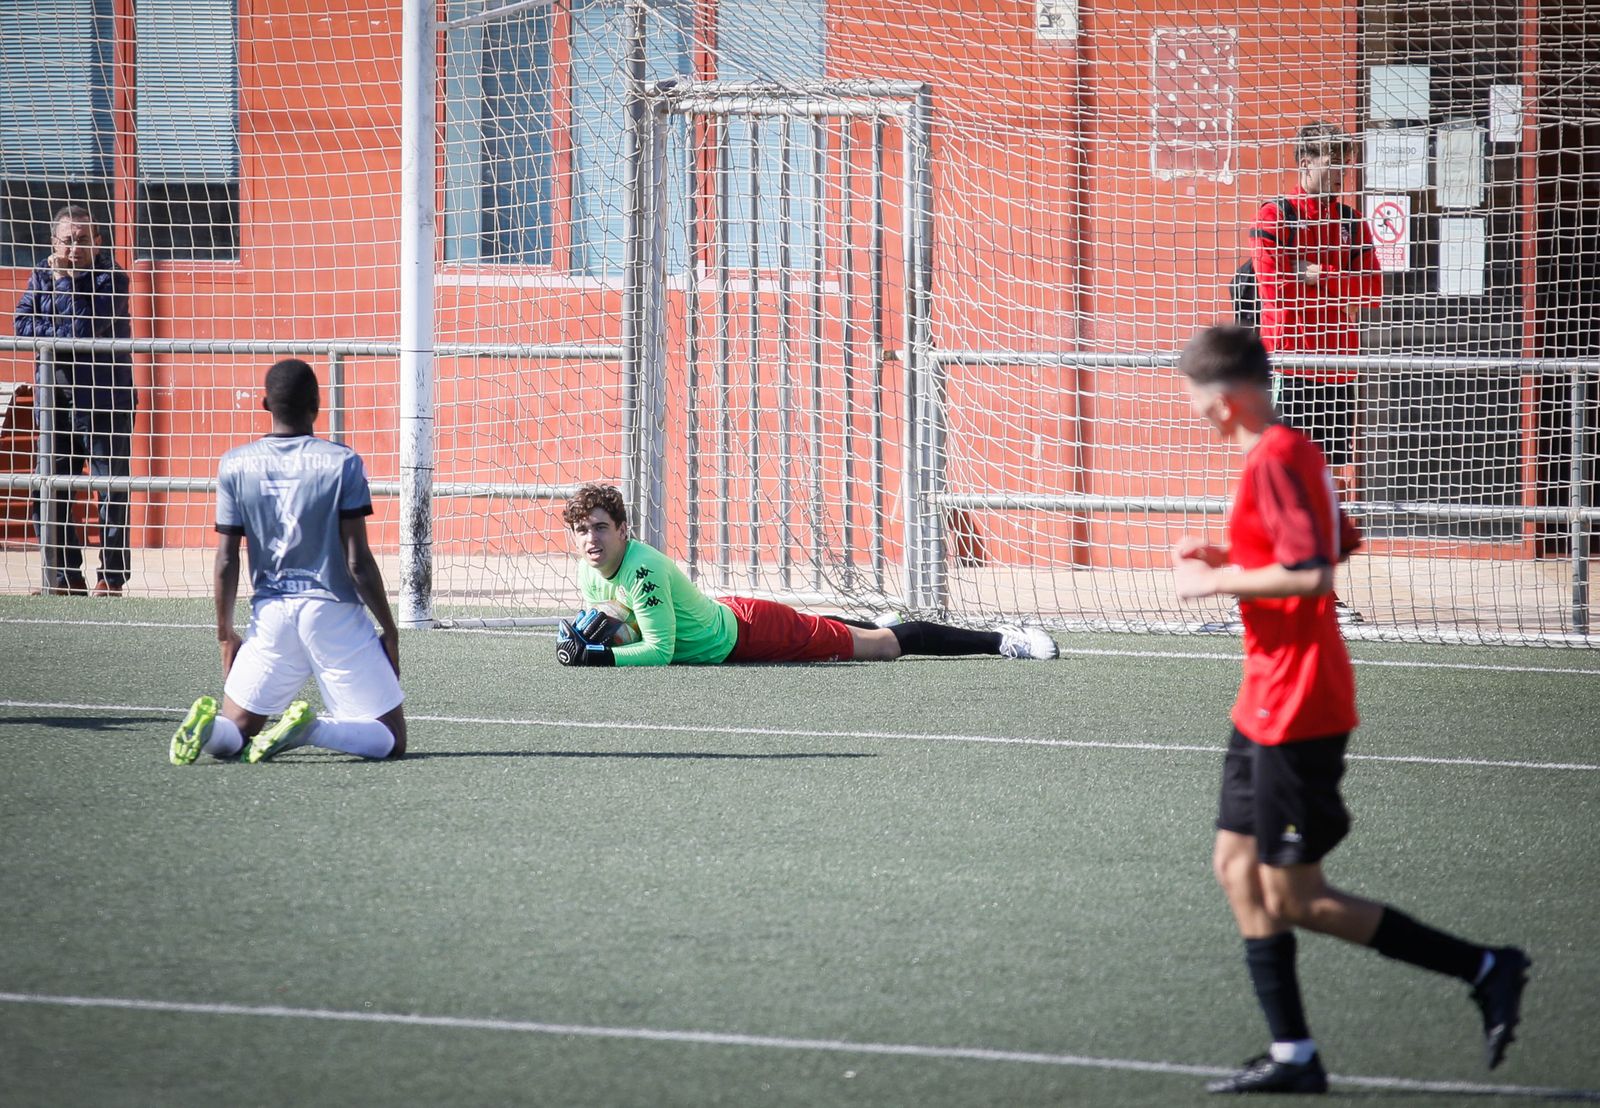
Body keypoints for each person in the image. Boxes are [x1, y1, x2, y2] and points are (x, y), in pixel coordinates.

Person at [1171, 325, 1527, 1095]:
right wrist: (1230, 558)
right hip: (1264, 696)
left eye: (1199, 405)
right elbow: (1339, 538)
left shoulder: (1275, 455)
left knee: (1298, 898)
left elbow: (1311, 572)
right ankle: (1293, 1054)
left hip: (1299, 703)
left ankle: (1486, 967)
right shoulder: (1291, 452)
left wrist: (1217, 583)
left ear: (1227, 400)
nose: (1199, 417)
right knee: (1235, 869)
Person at [169, 358, 406, 765]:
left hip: (271, 613)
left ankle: (208, 731)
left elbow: (227, 560)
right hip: (332, 612)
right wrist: (389, 629)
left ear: (265, 404)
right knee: (390, 738)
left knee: (237, 731)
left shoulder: (235, 464)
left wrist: (226, 634)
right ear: (317, 404)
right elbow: (357, 563)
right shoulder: (342, 462)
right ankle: (313, 728)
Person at [554, 482, 1059, 667]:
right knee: (835, 629)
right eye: (581, 531)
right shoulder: (590, 569)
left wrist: (600, 657)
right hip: (730, 621)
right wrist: (598, 635)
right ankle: (865, 620)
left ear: (623, 529)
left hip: (749, 637)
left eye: (600, 527)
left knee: (883, 645)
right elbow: (631, 626)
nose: (590, 539)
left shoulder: (644, 570)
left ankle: (1001, 641)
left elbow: (660, 653)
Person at [1250, 121, 1382, 501]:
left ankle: (1321, 554)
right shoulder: (1275, 216)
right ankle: (1282, 556)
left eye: (1346, 162)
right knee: (1285, 475)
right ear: (1306, 163)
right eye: (1333, 161)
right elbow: (1276, 293)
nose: (1343, 171)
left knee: (1332, 480)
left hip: (1340, 369)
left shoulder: (1351, 222)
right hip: (1291, 367)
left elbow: (1372, 292)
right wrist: (1340, 286)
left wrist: (1319, 274)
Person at [12, 205, 134, 596]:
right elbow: (22, 323)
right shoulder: (41, 273)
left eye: (83, 240)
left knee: (110, 487)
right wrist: (55, 305)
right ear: (54, 242)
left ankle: (111, 579)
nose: (74, 248)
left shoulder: (111, 276)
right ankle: (64, 577)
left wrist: (63, 284)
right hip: (56, 400)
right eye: (68, 241)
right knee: (50, 487)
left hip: (105, 397)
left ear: (98, 243)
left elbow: (83, 326)